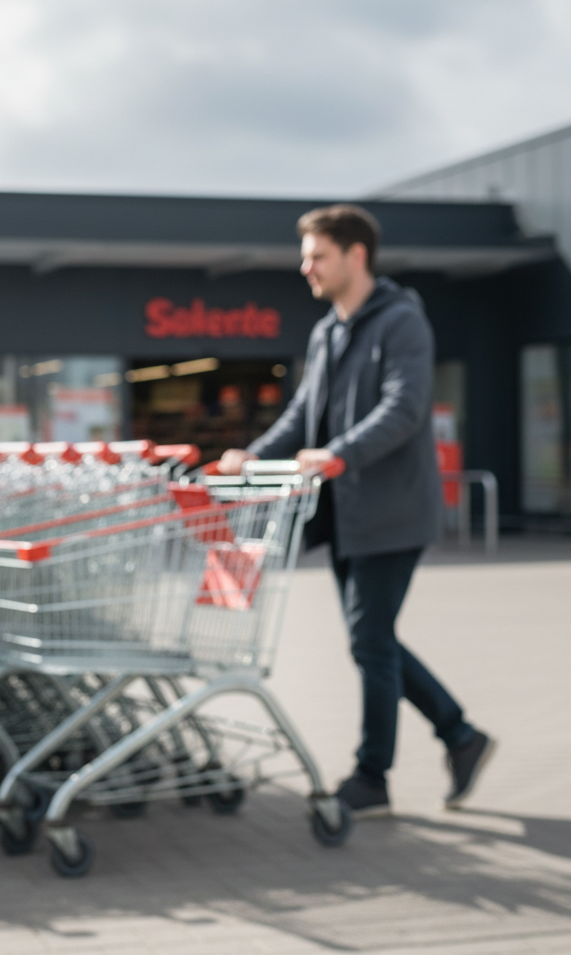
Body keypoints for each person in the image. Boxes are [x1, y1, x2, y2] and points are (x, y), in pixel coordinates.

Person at [219, 204, 495, 818]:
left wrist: (339, 454)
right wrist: (254, 454)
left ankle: (373, 777)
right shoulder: (328, 331)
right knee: (374, 641)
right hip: (345, 513)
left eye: (317, 256)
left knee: (370, 642)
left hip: (392, 512)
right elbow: (302, 413)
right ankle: (459, 735)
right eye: (306, 257)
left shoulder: (402, 322)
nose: (306, 268)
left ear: (356, 255)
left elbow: (405, 407)